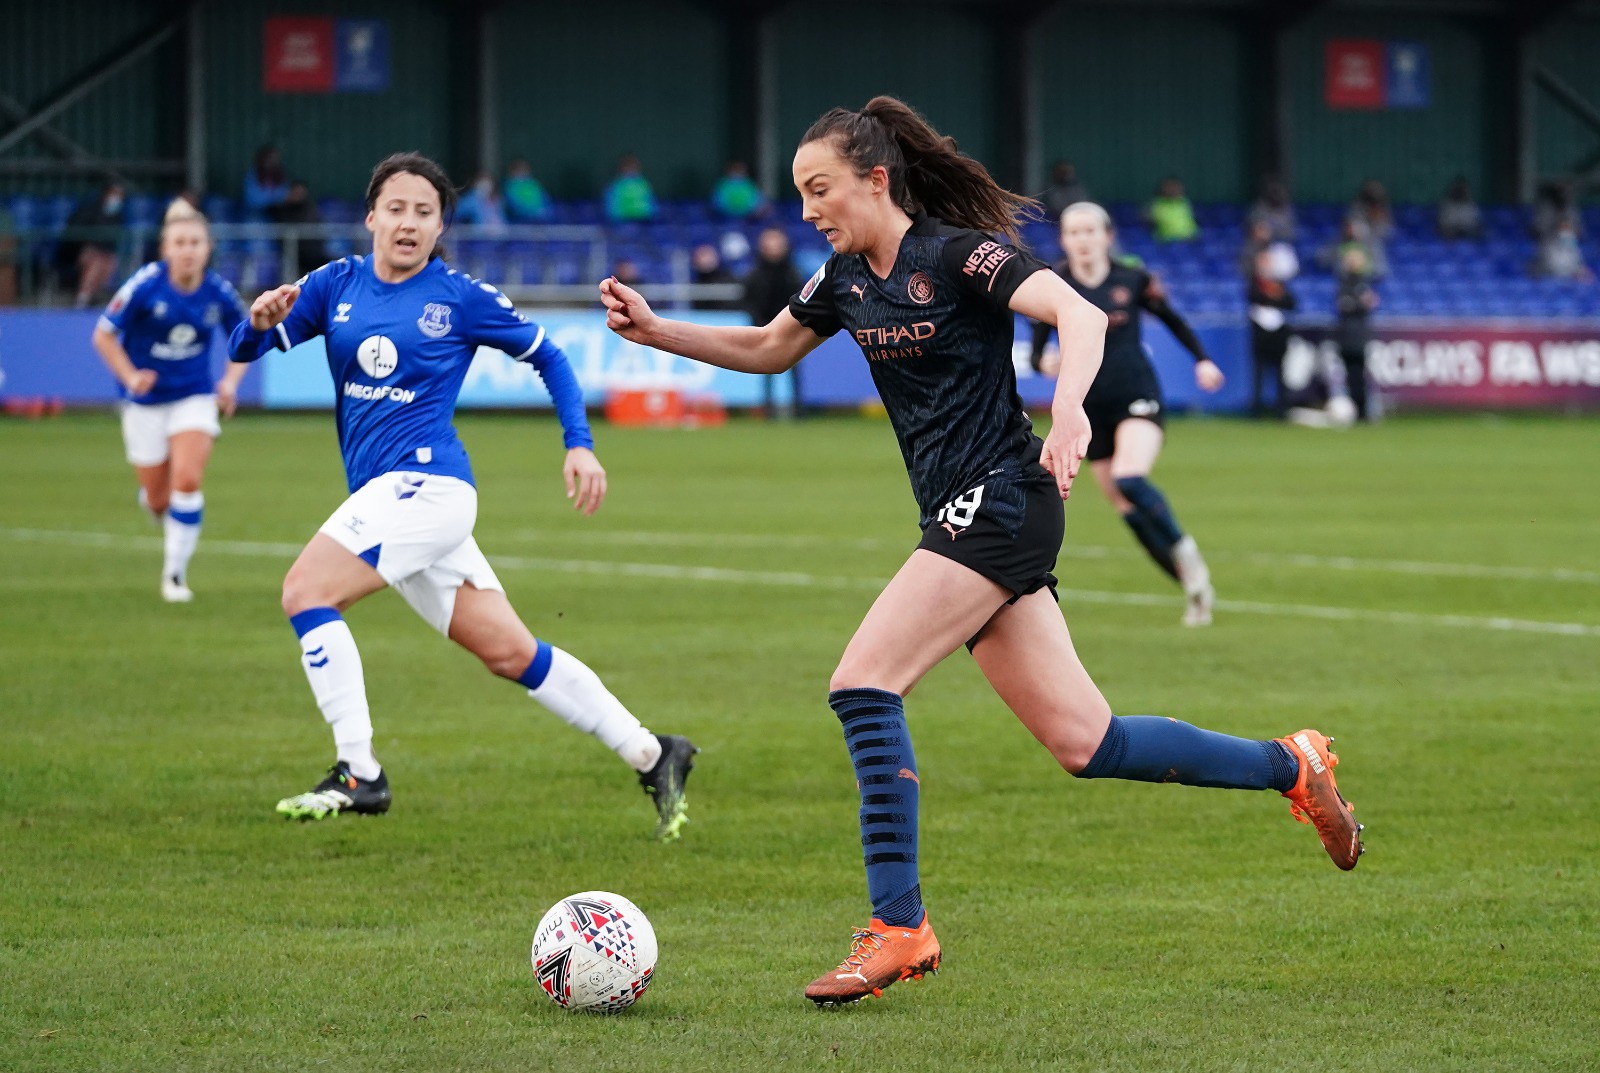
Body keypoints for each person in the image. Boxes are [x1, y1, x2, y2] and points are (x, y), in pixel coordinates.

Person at [599, 96, 1363, 1007]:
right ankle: (1294, 763)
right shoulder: (842, 278)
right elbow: (768, 346)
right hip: (962, 515)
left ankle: (899, 925)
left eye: (820, 189)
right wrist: (656, 329)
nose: (808, 210)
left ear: (875, 179)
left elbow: (1079, 316)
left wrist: (1070, 409)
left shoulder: (958, 253)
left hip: (1003, 500)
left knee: (863, 682)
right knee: (1090, 742)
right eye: (801, 193)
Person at [227, 152, 698, 837]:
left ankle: (359, 772)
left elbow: (550, 356)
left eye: (425, 212)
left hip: (429, 488)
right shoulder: (333, 284)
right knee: (511, 653)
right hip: (394, 498)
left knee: (305, 591)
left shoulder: (459, 297)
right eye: (396, 208)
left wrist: (579, 443)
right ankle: (654, 753)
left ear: (441, 225)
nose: (409, 222)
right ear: (371, 217)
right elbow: (244, 350)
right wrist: (256, 321)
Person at [1029, 203, 1221, 623]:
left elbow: (1173, 320)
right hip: (1088, 408)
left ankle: (1188, 554)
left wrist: (1202, 360)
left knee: (1129, 478)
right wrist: (1044, 362)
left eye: (1089, 231)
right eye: (1073, 232)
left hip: (1137, 394)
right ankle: (1193, 588)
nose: (1082, 239)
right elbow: (1038, 350)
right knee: (1125, 509)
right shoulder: (1053, 284)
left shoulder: (1132, 278)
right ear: (1063, 240)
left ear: (1107, 236)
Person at [91, 200, 251, 601]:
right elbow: (103, 335)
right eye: (179, 242)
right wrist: (131, 376)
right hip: (144, 403)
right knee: (159, 499)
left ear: (208, 247)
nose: (188, 250)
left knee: (188, 480)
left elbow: (247, 338)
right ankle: (153, 500)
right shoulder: (145, 284)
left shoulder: (218, 291)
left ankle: (174, 577)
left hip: (194, 396)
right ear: (165, 248)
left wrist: (230, 383)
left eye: (195, 242)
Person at [1248, 245, 1297, 418]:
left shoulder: (1280, 282)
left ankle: (1281, 408)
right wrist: (1272, 297)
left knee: (1281, 371)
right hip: (1260, 332)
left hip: (1279, 333)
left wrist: (1274, 298)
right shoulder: (1255, 282)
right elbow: (1253, 298)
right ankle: (1257, 408)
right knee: (1258, 371)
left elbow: (1291, 302)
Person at [64, 181, 125, 308]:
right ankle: (82, 300)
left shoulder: (117, 216)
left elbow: (113, 240)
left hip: (104, 253)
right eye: (115, 194)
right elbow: (75, 235)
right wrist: (86, 249)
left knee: (109, 261)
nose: (117, 199)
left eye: (120, 195)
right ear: (106, 194)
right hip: (77, 252)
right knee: (96, 262)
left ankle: (95, 297)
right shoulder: (90, 211)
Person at [266, 179, 328, 280]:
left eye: (300, 192)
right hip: (290, 253)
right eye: (295, 191)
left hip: (311, 255)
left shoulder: (311, 210)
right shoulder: (282, 210)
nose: (297, 195)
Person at [1345, 179, 1392, 278]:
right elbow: (1351, 231)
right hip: (1355, 248)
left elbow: (1388, 232)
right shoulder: (1357, 213)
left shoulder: (1383, 216)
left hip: (1372, 255)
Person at [603, 154, 657, 222]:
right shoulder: (615, 186)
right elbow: (611, 208)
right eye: (628, 168)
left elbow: (652, 204)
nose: (631, 171)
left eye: (634, 168)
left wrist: (650, 216)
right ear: (622, 169)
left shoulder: (643, 184)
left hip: (643, 220)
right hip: (622, 221)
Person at [1145, 176, 1198, 243]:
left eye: (1176, 187)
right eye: (1170, 187)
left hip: (1191, 240)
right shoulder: (1156, 205)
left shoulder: (1184, 202)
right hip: (1168, 242)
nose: (1174, 190)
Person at [244, 145, 288, 219]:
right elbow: (251, 198)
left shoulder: (281, 176)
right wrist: (271, 201)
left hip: (277, 212)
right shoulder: (252, 175)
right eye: (269, 158)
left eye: (275, 159)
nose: (271, 162)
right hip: (256, 212)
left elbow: (285, 195)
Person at [689, 244, 739, 310]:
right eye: (702, 256)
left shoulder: (727, 279)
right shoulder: (696, 284)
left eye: (708, 256)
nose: (706, 260)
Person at [1247, 175, 1296, 243]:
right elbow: (1254, 232)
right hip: (1261, 245)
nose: (1277, 195)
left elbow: (1290, 233)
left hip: (1281, 244)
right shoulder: (1258, 210)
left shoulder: (1287, 210)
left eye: (1279, 192)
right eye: (1274, 191)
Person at [503, 158, 552, 223]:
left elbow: (545, 199)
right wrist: (533, 213)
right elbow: (514, 206)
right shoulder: (510, 187)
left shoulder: (533, 183)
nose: (522, 171)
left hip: (541, 217)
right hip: (523, 219)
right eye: (519, 169)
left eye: (524, 169)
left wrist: (544, 211)